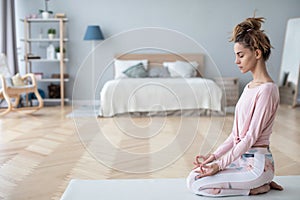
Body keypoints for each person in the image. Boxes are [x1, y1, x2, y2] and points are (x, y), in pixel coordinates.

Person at [186, 16, 284, 197]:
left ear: (257, 54)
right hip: (240, 161)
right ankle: (258, 183)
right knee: (193, 178)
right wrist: (213, 157)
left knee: (199, 187)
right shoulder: (249, 87)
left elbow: (250, 137)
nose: (236, 61)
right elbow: (235, 136)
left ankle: (259, 185)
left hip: (256, 165)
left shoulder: (268, 90)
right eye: (236, 56)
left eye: (240, 55)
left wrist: (220, 165)